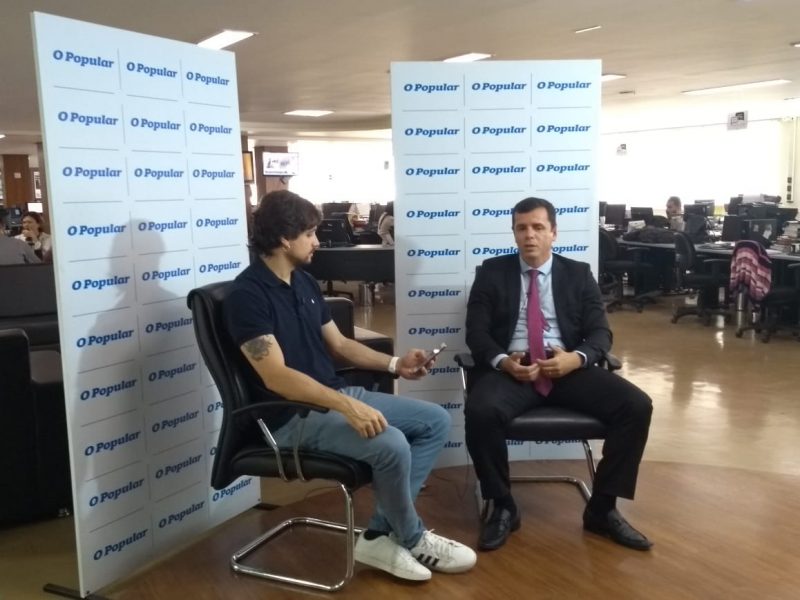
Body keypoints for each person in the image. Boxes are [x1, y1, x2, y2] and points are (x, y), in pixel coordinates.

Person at [223, 190, 476, 582]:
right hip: (289, 417)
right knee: (391, 444)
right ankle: (411, 536)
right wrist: (347, 407)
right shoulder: (247, 296)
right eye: (309, 234)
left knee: (435, 421)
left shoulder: (304, 282)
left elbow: (340, 345)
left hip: (331, 398)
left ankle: (378, 535)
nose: (317, 241)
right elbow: (276, 377)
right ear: (285, 239)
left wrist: (396, 364)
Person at [464, 197, 653, 552]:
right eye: (522, 228)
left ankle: (602, 509)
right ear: (514, 233)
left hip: (566, 367)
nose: (529, 235)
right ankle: (503, 505)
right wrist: (504, 361)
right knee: (480, 411)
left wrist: (576, 359)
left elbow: (600, 334)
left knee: (636, 406)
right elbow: (477, 333)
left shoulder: (578, 273)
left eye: (538, 227)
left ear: (554, 232)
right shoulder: (491, 272)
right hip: (515, 368)